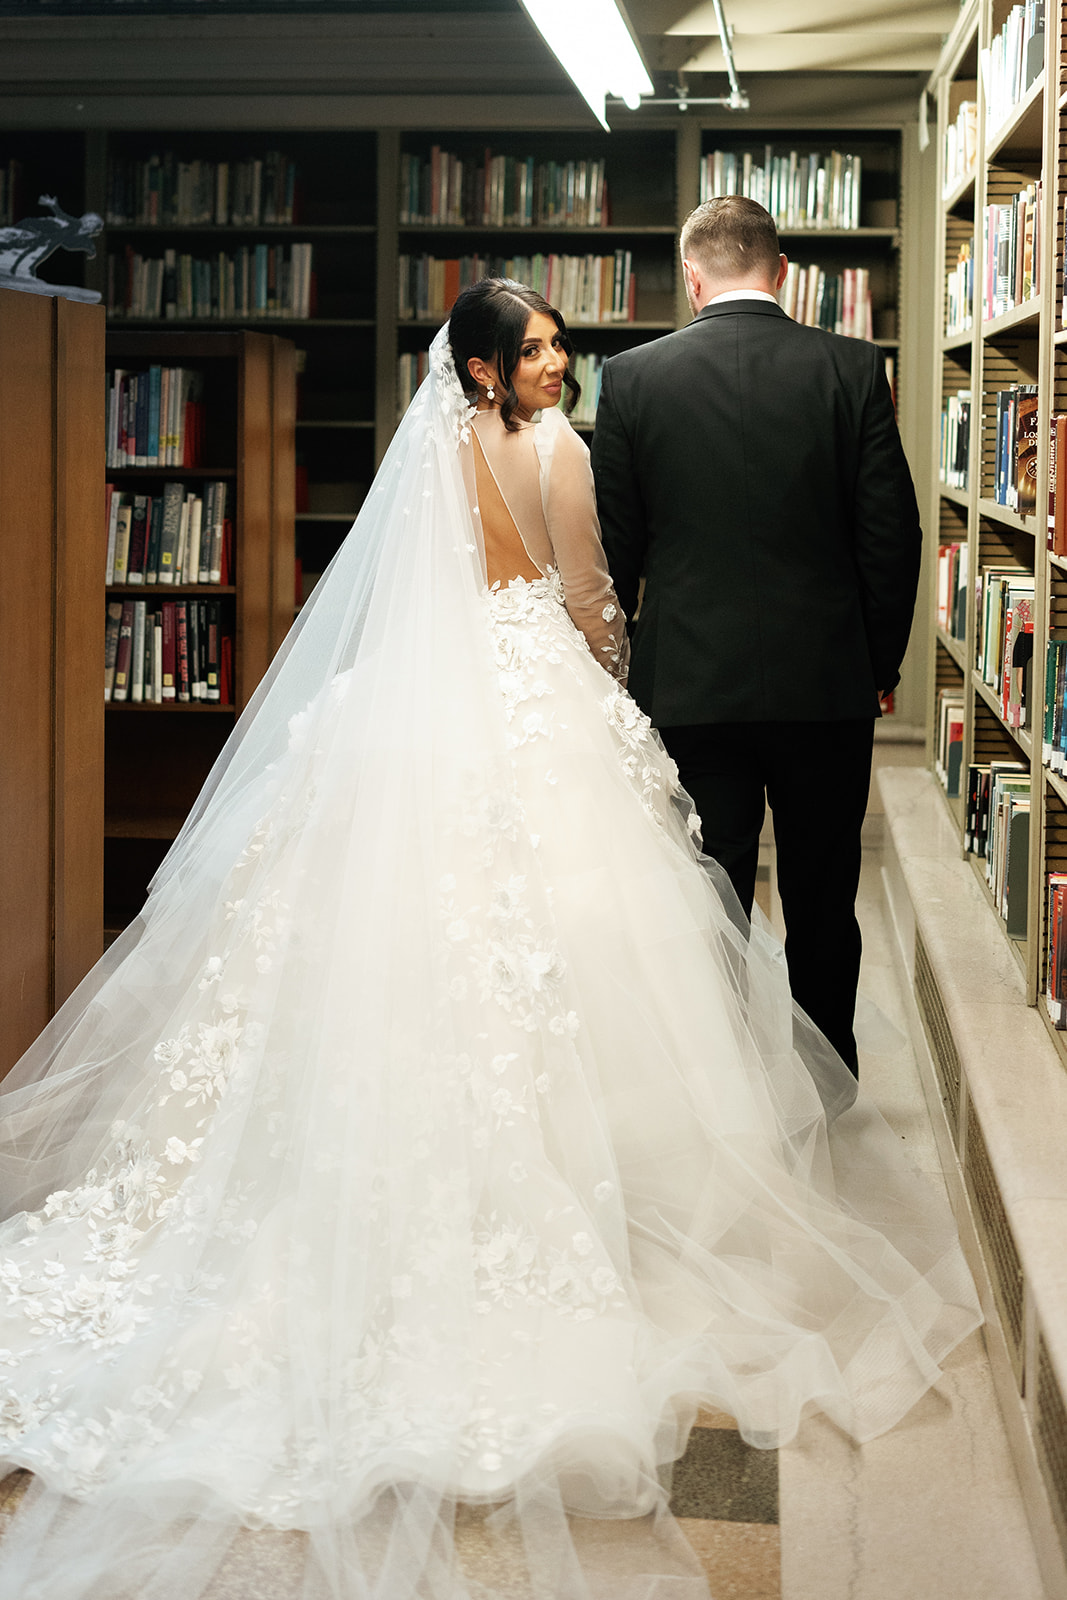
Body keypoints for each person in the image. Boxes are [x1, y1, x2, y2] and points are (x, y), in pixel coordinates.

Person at [0, 278, 976, 1600]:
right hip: (533, 713)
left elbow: (422, 603)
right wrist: (609, 683)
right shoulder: (560, 452)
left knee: (379, 953)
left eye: (556, 348)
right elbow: (586, 600)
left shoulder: (422, 462)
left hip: (408, 727)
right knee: (578, 958)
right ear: (484, 370)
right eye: (538, 350)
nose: (560, 364)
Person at [591, 196, 923, 1077]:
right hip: (824, 688)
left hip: (689, 687)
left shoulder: (630, 378)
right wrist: (875, 665)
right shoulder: (852, 368)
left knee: (712, 895)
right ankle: (828, 1082)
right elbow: (890, 537)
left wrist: (620, 682)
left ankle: (726, 1087)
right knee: (821, 892)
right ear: (781, 273)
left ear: (691, 279)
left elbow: (613, 554)